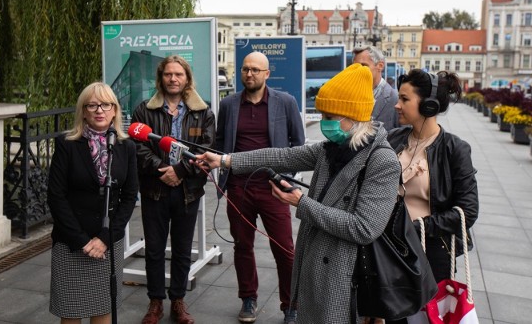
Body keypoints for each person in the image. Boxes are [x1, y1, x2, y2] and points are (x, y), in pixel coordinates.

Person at [196, 63, 402, 323]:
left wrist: (301, 203)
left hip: (346, 275)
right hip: (316, 262)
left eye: (329, 116)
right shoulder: (331, 149)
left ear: (353, 117)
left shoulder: (381, 161)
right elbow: (281, 156)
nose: (323, 122)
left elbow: (364, 228)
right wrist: (225, 160)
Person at [215, 51, 305, 324]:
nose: (249, 74)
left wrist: (285, 178)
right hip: (239, 187)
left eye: (255, 69)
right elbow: (221, 142)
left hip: (272, 187)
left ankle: (290, 306)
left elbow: (298, 145)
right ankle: (248, 299)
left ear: (267, 74)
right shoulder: (229, 104)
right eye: (245, 69)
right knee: (242, 246)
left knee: (285, 248)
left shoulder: (285, 102)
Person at [131, 55, 215, 324]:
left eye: (179, 74)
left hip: (187, 191)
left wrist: (179, 171)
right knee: (154, 249)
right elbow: (137, 147)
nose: (173, 79)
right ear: (161, 78)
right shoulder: (144, 110)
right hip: (155, 189)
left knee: (181, 249)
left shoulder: (204, 111)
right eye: (168, 74)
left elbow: (207, 149)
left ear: (187, 78)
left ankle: (178, 300)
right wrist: (162, 169)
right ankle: (155, 302)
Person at [47, 82, 138, 324]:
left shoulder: (126, 146)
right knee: (71, 311)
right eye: (92, 105)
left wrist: (105, 238)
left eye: (106, 104)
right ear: (84, 111)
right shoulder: (66, 144)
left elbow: (129, 197)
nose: (100, 110)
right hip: (71, 242)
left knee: (102, 309)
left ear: (115, 110)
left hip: (107, 241)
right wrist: (82, 240)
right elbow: (56, 196)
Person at [387, 69, 478, 304]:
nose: (397, 105)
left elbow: (467, 211)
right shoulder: (392, 139)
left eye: (404, 99)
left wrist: (417, 228)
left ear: (429, 106)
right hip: (389, 248)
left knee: (427, 315)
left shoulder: (455, 149)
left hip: (432, 252)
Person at [353, 45, 399, 131]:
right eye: (355, 67)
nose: (358, 70)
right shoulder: (350, 95)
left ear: (380, 66)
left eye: (363, 66)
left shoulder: (395, 99)